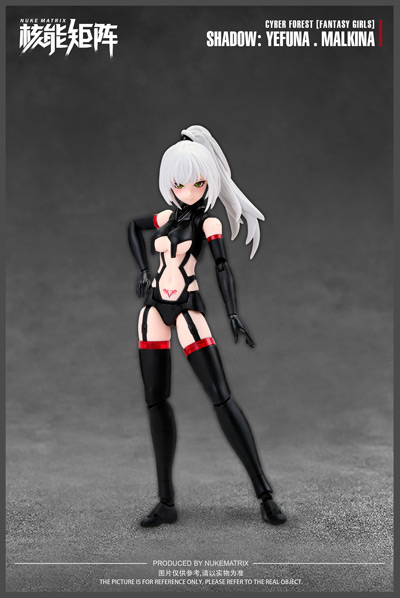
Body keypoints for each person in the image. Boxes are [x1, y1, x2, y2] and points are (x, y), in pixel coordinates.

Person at [128, 125, 287, 527]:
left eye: (197, 182)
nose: (187, 190)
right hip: (153, 309)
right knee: (155, 400)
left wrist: (232, 312)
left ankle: (264, 494)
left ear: (208, 181)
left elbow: (221, 267)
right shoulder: (166, 216)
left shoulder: (207, 223)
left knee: (220, 396)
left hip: (187, 308)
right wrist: (143, 271)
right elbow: (132, 228)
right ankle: (166, 502)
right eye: (179, 183)